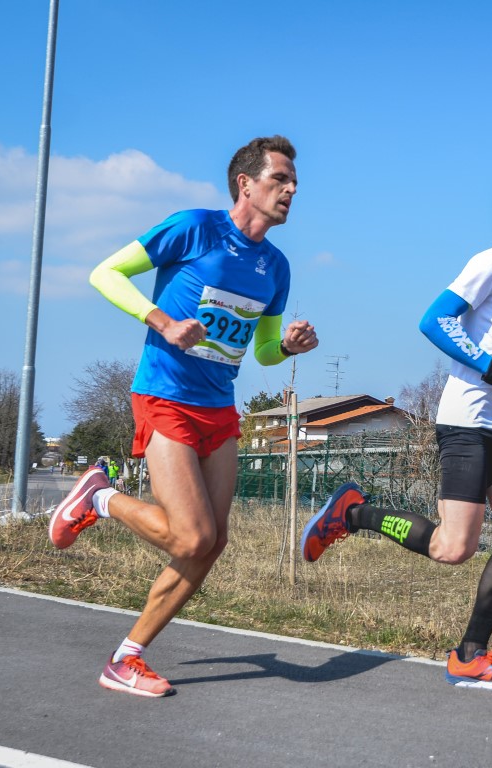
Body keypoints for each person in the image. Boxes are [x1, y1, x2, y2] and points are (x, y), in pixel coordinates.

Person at [48, 135, 317, 697]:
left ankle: (127, 657)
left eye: (294, 181)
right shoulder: (194, 228)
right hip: (165, 396)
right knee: (192, 537)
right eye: (280, 179)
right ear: (246, 184)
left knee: (212, 543)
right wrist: (162, 321)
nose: (292, 189)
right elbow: (105, 274)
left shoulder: (276, 267)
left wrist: (288, 347)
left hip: (219, 407)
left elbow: (263, 351)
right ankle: (99, 498)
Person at [300, 178, 492, 692]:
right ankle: (353, 514)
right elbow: (435, 320)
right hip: (466, 422)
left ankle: (470, 655)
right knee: (452, 548)